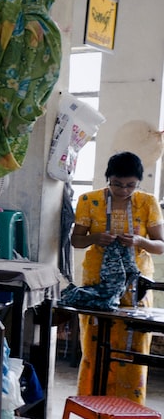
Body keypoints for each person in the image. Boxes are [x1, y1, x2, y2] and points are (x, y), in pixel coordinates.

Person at [70, 151, 164, 403]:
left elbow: (160, 245)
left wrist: (139, 241)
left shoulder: (147, 202)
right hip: (97, 284)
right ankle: (92, 407)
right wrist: (94, 238)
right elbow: (76, 240)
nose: (123, 190)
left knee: (134, 345)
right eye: (117, 184)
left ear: (138, 183)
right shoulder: (89, 200)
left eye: (130, 185)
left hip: (136, 285)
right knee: (94, 345)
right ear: (107, 179)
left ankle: (129, 410)